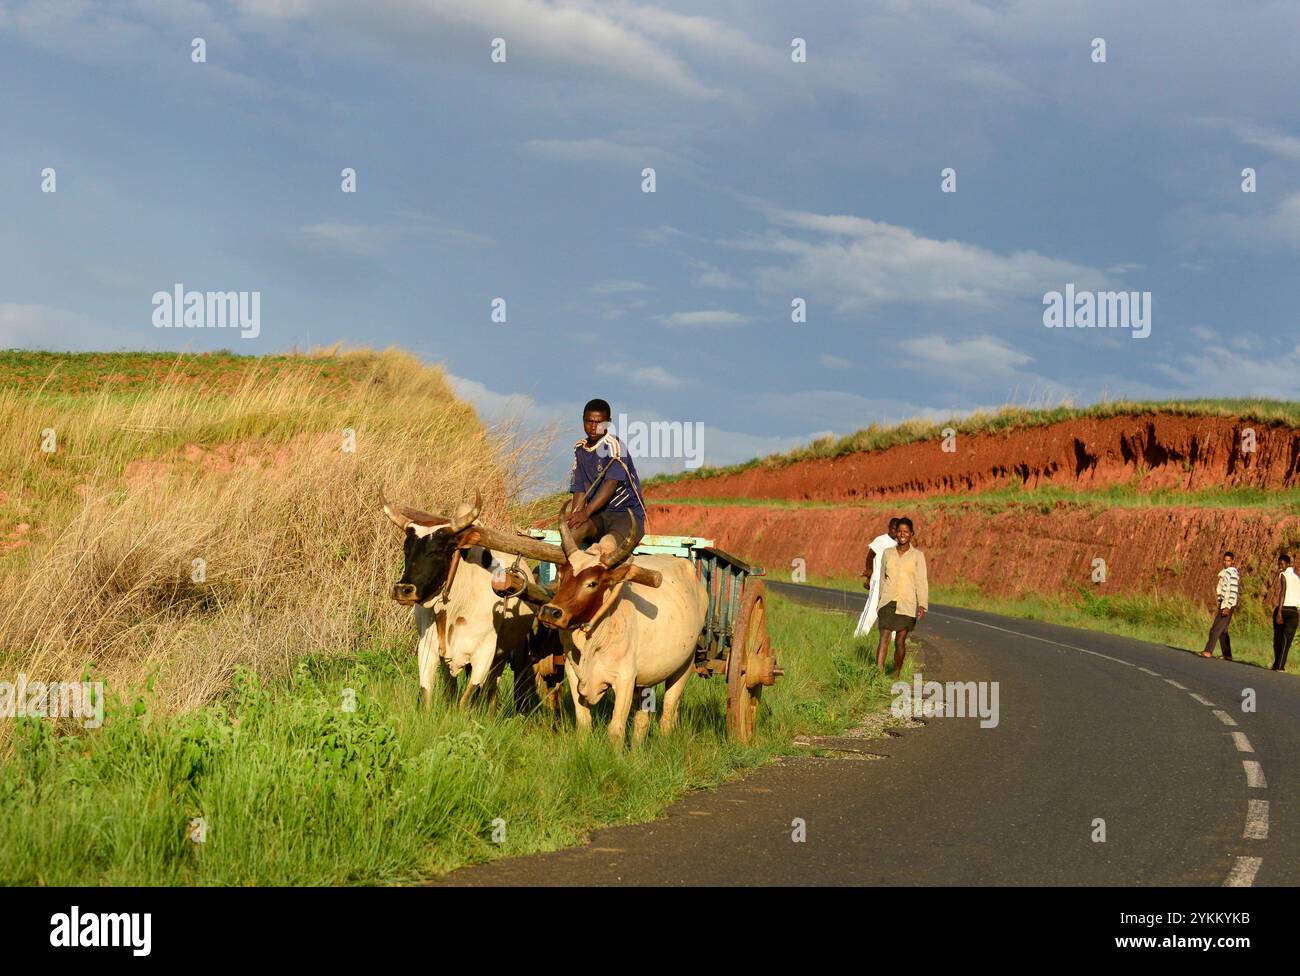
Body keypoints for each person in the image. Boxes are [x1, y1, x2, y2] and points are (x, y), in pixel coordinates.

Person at [564, 398, 646, 552]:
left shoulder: (615, 446)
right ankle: (566, 575)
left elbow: (611, 484)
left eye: (599, 423)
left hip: (625, 515)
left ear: (608, 423)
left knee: (608, 547)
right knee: (573, 532)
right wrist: (575, 517)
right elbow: (579, 487)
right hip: (597, 515)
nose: (594, 427)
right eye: (589, 421)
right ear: (583, 420)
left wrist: (586, 512)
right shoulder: (579, 448)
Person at [875, 518, 928, 675]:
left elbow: (921, 581)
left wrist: (922, 604)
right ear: (895, 533)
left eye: (906, 531)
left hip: (907, 603)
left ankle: (896, 674)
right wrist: (879, 602)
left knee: (899, 641)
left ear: (912, 534)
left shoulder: (918, 556)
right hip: (887, 601)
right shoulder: (887, 553)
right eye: (899, 531)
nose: (902, 534)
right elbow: (883, 579)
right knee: (884, 638)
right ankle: (877, 675)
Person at [854, 517, 900, 638]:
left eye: (898, 530)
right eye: (893, 529)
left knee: (893, 612)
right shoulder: (881, 540)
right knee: (871, 611)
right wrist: (869, 575)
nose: (895, 532)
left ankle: (893, 643)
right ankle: (858, 637)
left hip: (892, 584)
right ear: (889, 528)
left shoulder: (899, 545)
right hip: (878, 581)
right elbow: (870, 557)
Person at [1200, 551, 1239, 660]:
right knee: (1223, 630)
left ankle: (1208, 651)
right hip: (1223, 603)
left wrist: (1227, 606)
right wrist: (1220, 601)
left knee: (1215, 628)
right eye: (1225, 560)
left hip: (1228, 605)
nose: (1226, 562)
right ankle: (1227, 655)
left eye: (1228, 561)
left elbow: (1233, 591)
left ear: (1232, 561)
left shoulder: (1233, 573)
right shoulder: (1224, 572)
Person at [1272, 554, 1299, 672]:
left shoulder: (1283, 574)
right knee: (1286, 640)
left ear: (1288, 564)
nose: (1280, 566)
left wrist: (1279, 612)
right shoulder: (1297, 578)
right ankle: (1279, 666)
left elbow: (1283, 592)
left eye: (1281, 564)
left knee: (1278, 639)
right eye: (1279, 564)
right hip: (1294, 612)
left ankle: (1278, 665)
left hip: (1284, 609)